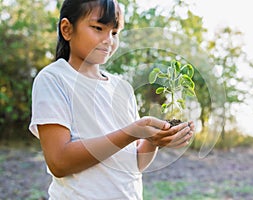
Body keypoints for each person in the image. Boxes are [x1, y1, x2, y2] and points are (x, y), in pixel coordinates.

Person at [29, 0, 194, 199]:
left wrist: (153, 140)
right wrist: (131, 132)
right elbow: (59, 162)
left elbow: (135, 164)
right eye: (98, 28)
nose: (108, 40)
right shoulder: (54, 79)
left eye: (114, 32)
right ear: (67, 29)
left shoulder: (121, 88)